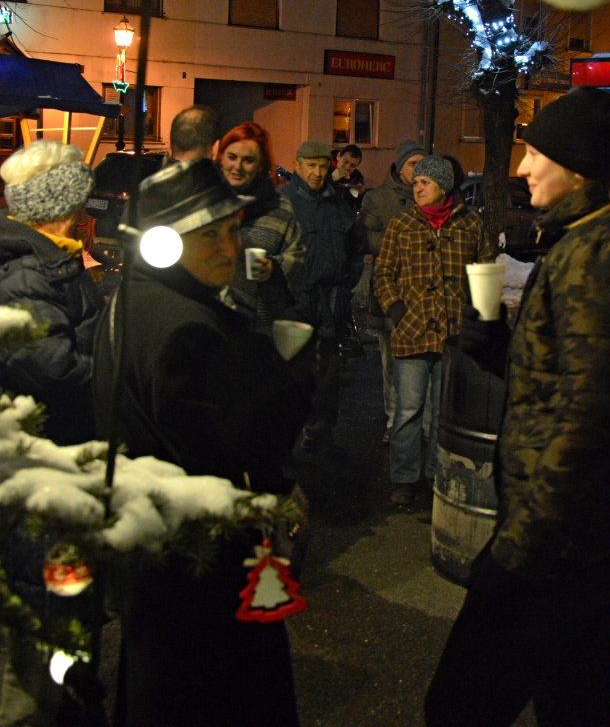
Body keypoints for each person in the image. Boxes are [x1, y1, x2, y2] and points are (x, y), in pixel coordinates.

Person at [425, 87, 610, 727]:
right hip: (587, 532)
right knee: (573, 691)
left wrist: (522, 547)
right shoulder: (590, 237)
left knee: (461, 704)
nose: (522, 168)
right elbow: (570, 380)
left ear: (578, 167)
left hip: (566, 538)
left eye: (536, 153)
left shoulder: (607, 252)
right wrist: (497, 348)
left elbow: (591, 419)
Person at [93, 159, 314, 727]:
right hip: (199, 563)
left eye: (232, 229)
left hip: (155, 551)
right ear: (165, 243)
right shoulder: (185, 325)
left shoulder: (136, 298)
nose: (226, 246)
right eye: (206, 235)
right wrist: (287, 375)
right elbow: (234, 442)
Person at [0, 140, 104, 724]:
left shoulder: (55, 259)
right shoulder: (27, 271)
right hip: (43, 463)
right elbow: (52, 368)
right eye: (83, 199)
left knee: (64, 586)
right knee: (50, 588)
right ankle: (50, 703)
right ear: (63, 204)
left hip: (57, 458)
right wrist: (117, 372)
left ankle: (67, 689)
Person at [374, 154, 493, 506]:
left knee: (444, 414)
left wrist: (481, 317)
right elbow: (384, 273)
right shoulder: (402, 223)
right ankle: (404, 480)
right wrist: (397, 311)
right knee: (408, 411)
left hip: (453, 334)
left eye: (425, 182)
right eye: (416, 183)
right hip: (412, 332)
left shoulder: (470, 224)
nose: (418, 187)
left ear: (444, 186)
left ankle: (436, 474)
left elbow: (485, 271)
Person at [280, 140, 364, 454]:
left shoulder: (338, 203)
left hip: (331, 301)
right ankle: (285, 435)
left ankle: (321, 433)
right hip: (296, 300)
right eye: (311, 165)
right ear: (298, 164)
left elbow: (355, 245)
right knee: (293, 372)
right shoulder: (284, 202)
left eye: (322, 166)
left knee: (328, 375)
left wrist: (348, 280)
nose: (317, 172)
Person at [360, 139, 425, 443]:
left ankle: (419, 424)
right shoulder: (378, 198)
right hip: (389, 292)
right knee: (391, 363)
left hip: (423, 295)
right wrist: (399, 238)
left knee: (422, 364)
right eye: (414, 163)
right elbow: (367, 238)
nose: (419, 170)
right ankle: (393, 422)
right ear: (400, 167)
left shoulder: (430, 195)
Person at [217, 121, 306, 335]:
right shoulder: (203, 200)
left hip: (257, 326)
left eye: (248, 160)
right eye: (232, 157)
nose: (237, 167)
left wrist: (274, 268)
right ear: (220, 157)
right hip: (207, 321)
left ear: (260, 165)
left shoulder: (279, 208)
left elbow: (298, 256)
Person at [331, 143, 366, 213]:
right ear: (338, 156)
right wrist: (332, 178)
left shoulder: (357, 178)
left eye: (352, 166)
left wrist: (361, 195)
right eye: (345, 162)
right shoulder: (324, 168)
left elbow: (356, 204)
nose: (347, 167)